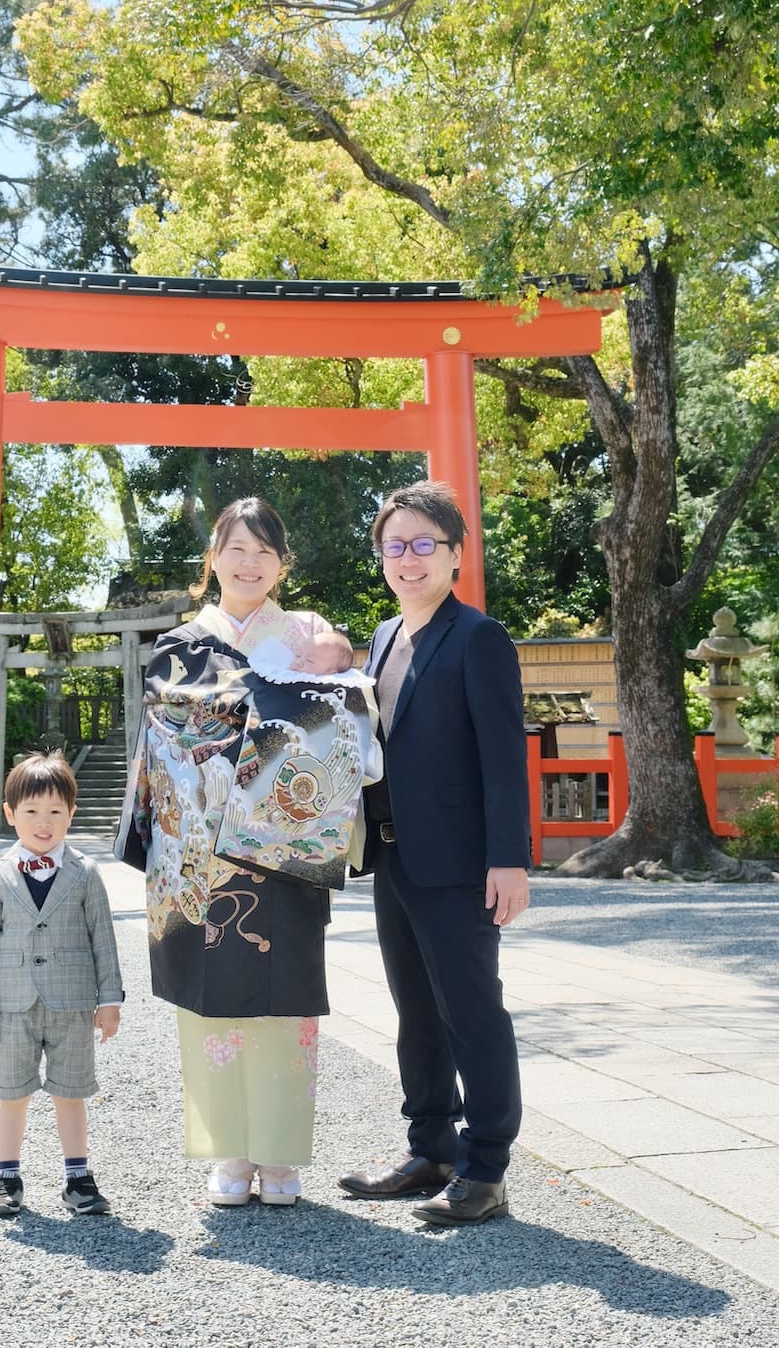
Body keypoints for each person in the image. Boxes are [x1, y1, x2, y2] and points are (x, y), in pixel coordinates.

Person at [116, 496, 378, 1208]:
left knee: (287, 1003)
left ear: (282, 564)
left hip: (286, 847)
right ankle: (228, 1152)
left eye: (265, 550)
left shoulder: (311, 635)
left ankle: (282, 1156)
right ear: (212, 559)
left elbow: (339, 726)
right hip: (202, 857)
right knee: (211, 1007)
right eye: (236, 547)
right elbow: (164, 745)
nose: (250, 562)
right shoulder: (180, 643)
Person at [338, 480, 531, 1226]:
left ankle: (486, 1169)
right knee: (415, 1013)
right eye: (395, 545)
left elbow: (502, 758)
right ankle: (432, 1149)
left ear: (455, 554)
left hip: (459, 863)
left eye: (425, 544)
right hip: (393, 858)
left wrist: (508, 859)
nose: (408, 558)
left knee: (472, 1014)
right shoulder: (386, 636)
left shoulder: (477, 636)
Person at [0, 752, 123, 1219]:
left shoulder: (85, 872)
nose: (44, 823)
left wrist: (110, 999)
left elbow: (103, 938)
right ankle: (6, 1176)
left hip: (73, 1001)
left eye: (56, 812)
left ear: (71, 814)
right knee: (12, 1092)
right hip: (13, 1003)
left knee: (70, 1091)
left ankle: (78, 1178)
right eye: (31, 812)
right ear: (10, 813)